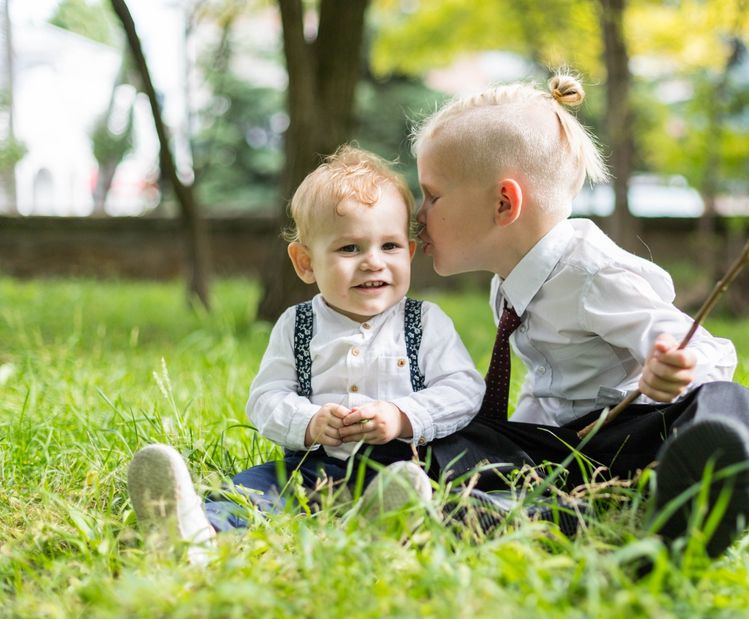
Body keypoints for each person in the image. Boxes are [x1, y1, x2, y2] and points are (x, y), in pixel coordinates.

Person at [411, 73, 749, 557]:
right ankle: (529, 509)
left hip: (636, 438)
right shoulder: (509, 283)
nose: (418, 213)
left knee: (732, 401)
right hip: (571, 450)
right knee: (440, 428)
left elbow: (701, 348)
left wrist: (672, 368)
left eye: (432, 196)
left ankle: (700, 481)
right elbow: (546, 388)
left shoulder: (589, 272)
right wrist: (504, 444)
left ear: (503, 204)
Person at [127, 146, 485, 557]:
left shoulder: (425, 322)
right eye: (350, 249)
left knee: (408, 484)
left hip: (399, 464)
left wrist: (402, 416)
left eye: (389, 246)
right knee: (255, 487)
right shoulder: (297, 325)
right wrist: (310, 421)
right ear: (305, 263)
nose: (373, 262)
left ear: (409, 250)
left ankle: (384, 523)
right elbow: (266, 398)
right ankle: (194, 531)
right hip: (311, 464)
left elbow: (463, 389)